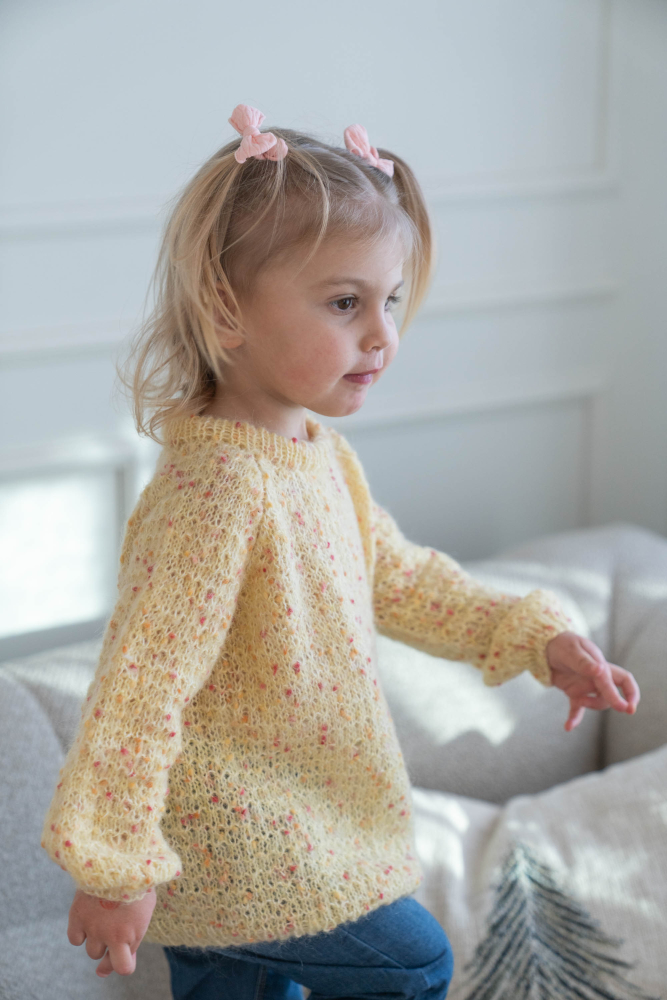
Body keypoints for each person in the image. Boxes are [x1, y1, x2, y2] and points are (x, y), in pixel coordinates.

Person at [41, 104, 641, 1000]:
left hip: (278, 843)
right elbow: (140, 682)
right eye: (344, 303)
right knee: (414, 965)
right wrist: (113, 864)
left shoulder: (317, 456)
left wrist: (535, 636)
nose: (381, 334)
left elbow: (399, 579)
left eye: (389, 300)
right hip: (251, 851)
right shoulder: (217, 490)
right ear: (225, 308)